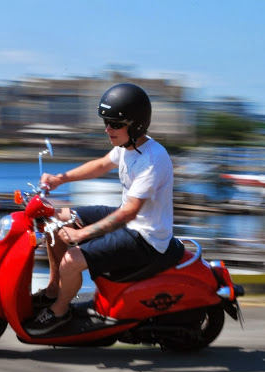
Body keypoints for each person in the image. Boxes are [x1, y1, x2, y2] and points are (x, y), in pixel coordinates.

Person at [24, 83, 183, 336]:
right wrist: (59, 178)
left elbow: (129, 212)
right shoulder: (127, 146)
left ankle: (59, 312)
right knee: (58, 219)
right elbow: (99, 165)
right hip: (131, 221)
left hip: (146, 238)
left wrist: (82, 235)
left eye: (114, 123)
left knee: (71, 261)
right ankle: (53, 289)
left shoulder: (152, 160)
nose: (107, 128)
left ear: (135, 124)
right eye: (105, 122)